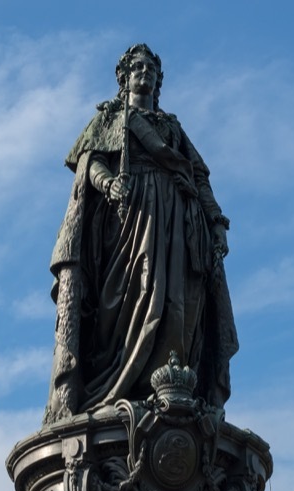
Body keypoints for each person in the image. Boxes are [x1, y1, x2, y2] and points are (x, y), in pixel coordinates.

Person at [44, 43, 238, 424]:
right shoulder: (112, 118)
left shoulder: (172, 128)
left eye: (150, 68)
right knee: (129, 296)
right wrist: (108, 185)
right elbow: (91, 162)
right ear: (124, 78)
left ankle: (170, 386)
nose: (144, 73)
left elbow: (198, 176)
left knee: (177, 302)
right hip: (130, 219)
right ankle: (117, 385)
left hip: (178, 222)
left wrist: (215, 222)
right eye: (137, 68)